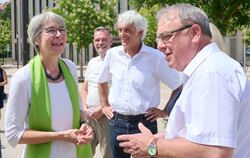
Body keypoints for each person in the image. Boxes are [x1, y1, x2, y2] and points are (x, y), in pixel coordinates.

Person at [117, 3, 250, 158]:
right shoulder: (207, 70)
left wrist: (151, 146)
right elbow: (202, 135)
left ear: (194, 33)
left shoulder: (211, 74)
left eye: (166, 37)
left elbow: (214, 151)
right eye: (158, 38)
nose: (159, 46)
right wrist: (166, 138)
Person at [4, 11, 93, 158]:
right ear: (36, 39)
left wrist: (85, 124)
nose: (59, 35)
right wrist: (60, 136)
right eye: (51, 30)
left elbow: (79, 108)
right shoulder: (23, 78)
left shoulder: (70, 67)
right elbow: (13, 134)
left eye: (62, 29)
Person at [98, 10, 182, 158]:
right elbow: (101, 81)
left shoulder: (155, 57)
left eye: (127, 30)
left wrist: (165, 111)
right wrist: (104, 105)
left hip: (144, 124)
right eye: (120, 30)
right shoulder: (112, 54)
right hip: (116, 123)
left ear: (140, 33)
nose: (122, 34)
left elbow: (178, 86)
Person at [80, 27, 113, 158]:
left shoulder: (117, 61)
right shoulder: (92, 62)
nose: (100, 43)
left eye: (104, 39)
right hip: (89, 117)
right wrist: (84, 107)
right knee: (85, 153)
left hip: (107, 117)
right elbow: (85, 89)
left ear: (111, 41)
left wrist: (102, 108)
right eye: (97, 40)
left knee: (107, 154)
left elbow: (119, 90)